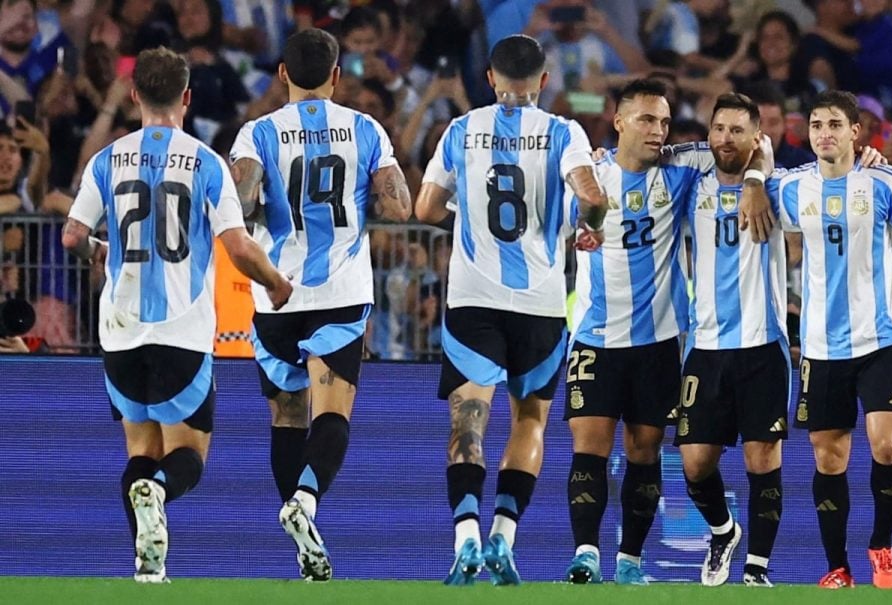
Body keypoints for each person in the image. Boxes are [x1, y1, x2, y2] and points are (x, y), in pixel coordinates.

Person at [60, 47, 292, 583]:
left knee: (140, 447)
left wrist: (97, 250)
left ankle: (146, 566)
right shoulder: (207, 163)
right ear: (187, 97)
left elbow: (71, 234)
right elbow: (237, 246)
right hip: (182, 329)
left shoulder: (107, 159)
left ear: (135, 94)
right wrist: (276, 282)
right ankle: (160, 492)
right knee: (188, 452)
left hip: (119, 328)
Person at [414, 34, 608, 586]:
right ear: (543, 82)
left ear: (491, 80)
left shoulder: (462, 129)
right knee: (530, 420)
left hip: (474, 298)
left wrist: (468, 209)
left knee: (468, 418)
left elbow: (426, 207)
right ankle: (503, 533)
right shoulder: (563, 132)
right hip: (541, 304)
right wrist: (588, 228)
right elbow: (592, 196)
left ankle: (466, 538)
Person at [229, 28, 412, 582]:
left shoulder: (256, 133)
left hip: (275, 291)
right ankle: (305, 504)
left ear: (282, 73)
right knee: (331, 414)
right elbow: (401, 208)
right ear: (337, 76)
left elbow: (237, 205)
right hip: (340, 291)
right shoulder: (365, 129)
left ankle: (299, 547)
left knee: (286, 416)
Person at [777, 90, 892, 590]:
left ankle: (882, 546)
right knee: (830, 458)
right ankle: (837, 567)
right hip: (821, 347)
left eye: (834, 124)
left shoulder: (888, 182)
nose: (824, 132)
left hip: (882, 339)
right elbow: (755, 180)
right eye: (816, 124)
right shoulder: (790, 188)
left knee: (886, 445)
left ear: (855, 131)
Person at [561, 79, 705, 586]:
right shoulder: (586, 178)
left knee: (645, 452)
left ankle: (630, 561)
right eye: (646, 119)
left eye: (664, 121)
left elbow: (752, 145)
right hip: (596, 337)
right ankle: (585, 555)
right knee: (589, 448)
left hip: (658, 340)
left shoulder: (682, 170)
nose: (658, 131)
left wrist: (755, 176)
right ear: (618, 121)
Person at [675, 92, 790, 589]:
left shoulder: (781, 188)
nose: (725, 138)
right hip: (705, 345)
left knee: (762, 459)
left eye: (737, 130)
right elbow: (646, 161)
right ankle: (724, 531)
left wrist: (760, 178)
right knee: (695, 462)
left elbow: (831, 175)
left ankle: (757, 569)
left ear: (755, 137)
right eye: (719, 128)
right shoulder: (690, 186)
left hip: (764, 344)